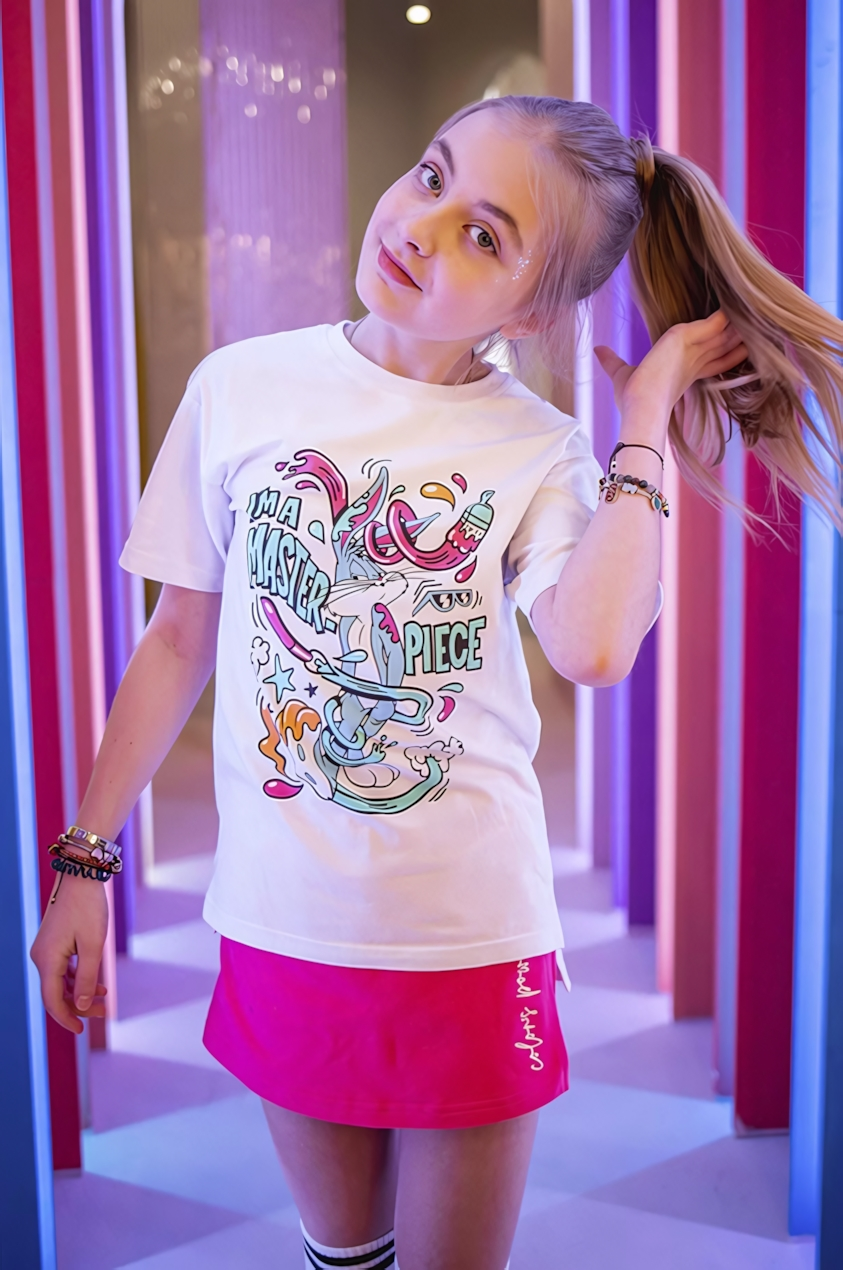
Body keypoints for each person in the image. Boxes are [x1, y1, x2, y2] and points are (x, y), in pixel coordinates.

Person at [30, 96, 843, 1270]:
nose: (421, 226)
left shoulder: (541, 448)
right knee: (341, 1257)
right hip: (281, 921)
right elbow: (176, 641)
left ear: (532, 308)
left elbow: (594, 647)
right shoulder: (239, 386)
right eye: (430, 175)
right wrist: (84, 861)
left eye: (485, 234)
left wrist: (645, 417)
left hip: (470, 941)